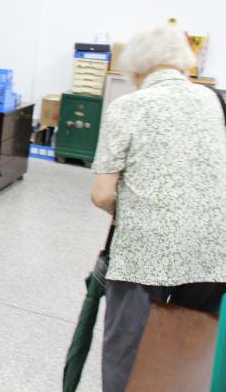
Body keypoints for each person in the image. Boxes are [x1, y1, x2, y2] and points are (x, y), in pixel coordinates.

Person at [89, 25, 226, 392]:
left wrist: (126, 206)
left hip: (146, 247)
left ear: (135, 68)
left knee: (126, 348)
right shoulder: (213, 101)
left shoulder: (128, 106)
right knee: (188, 343)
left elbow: (102, 194)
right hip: (211, 248)